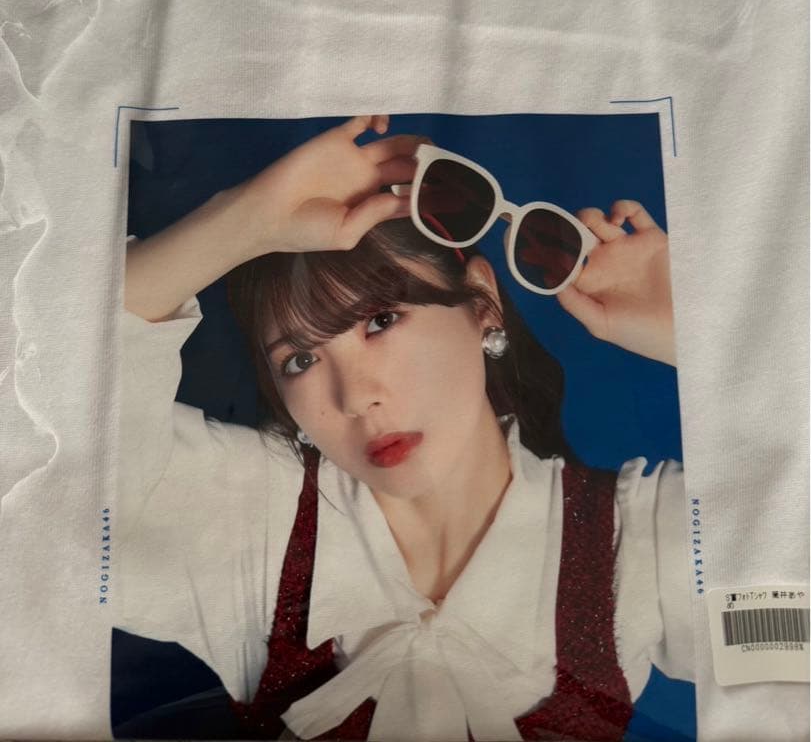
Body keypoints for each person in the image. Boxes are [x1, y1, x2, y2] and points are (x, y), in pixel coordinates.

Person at [117, 114, 693, 742]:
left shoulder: (636, 542)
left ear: (483, 304)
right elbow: (55, 437)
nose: (357, 397)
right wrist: (239, 221)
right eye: (301, 360)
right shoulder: (252, 518)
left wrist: (694, 332)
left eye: (381, 321)